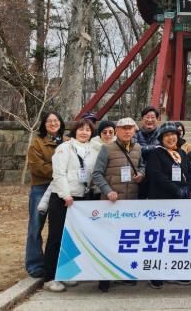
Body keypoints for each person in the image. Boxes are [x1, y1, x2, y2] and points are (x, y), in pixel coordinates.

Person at [43, 118, 101, 292]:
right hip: (63, 199)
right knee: (56, 237)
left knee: (71, 239)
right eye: (81, 129)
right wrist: (65, 194)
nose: (84, 132)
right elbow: (59, 174)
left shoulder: (93, 150)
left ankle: (65, 273)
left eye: (88, 130)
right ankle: (49, 277)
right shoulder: (64, 148)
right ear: (75, 131)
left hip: (82, 199)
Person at [91, 117, 145, 292]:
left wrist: (141, 174)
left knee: (126, 240)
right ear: (117, 131)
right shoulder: (107, 148)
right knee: (108, 240)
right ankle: (104, 278)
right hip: (111, 203)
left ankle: (125, 274)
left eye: (130, 128)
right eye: (124, 128)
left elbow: (142, 166)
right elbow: (97, 174)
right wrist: (108, 191)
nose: (127, 131)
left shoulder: (138, 148)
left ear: (134, 131)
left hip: (131, 202)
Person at [145, 121, 191, 289]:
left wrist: (187, 188)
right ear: (161, 138)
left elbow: (188, 173)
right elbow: (156, 175)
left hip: (180, 203)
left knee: (176, 238)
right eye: (166, 135)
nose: (171, 137)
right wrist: (175, 189)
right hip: (161, 201)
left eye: (173, 134)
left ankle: (176, 271)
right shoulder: (156, 153)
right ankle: (156, 274)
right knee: (160, 238)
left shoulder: (181, 153)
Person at [25, 111, 65, 278]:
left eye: (56, 120)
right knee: (36, 227)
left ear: (61, 123)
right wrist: (61, 170)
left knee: (59, 229)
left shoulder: (67, 141)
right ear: (44, 124)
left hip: (61, 189)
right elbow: (37, 167)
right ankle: (35, 265)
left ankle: (57, 263)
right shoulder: (37, 143)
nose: (53, 123)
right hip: (41, 188)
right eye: (49, 121)